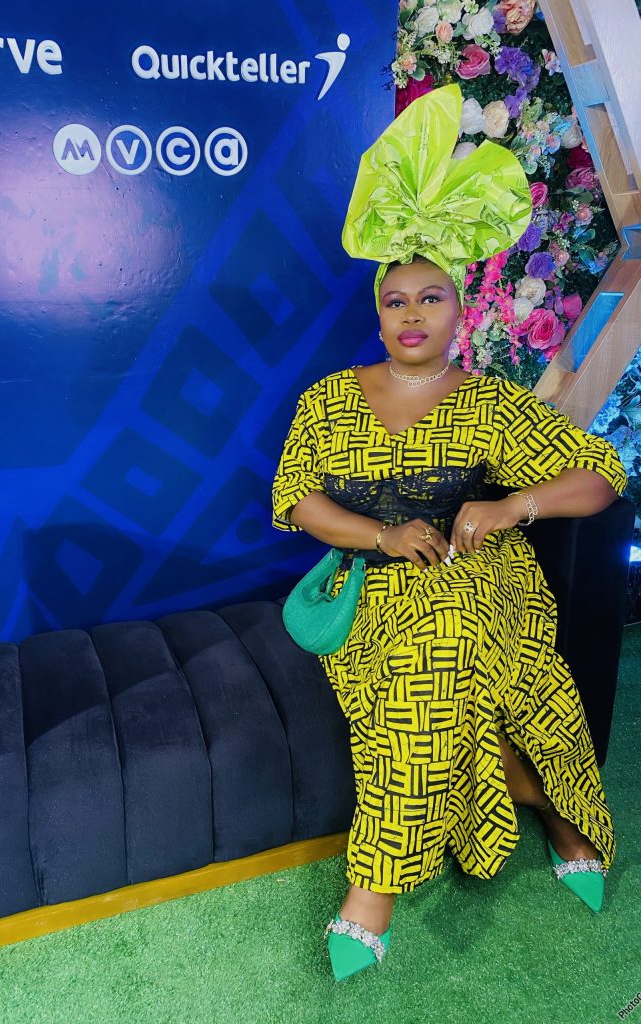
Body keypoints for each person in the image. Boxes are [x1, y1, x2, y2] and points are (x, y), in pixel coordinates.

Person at [271, 85, 628, 983]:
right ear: (378, 312)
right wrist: (381, 536)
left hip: (480, 574)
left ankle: (374, 891)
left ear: (459, 309)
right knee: (435, 652)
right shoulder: (329, 398)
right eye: (396, 301)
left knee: (452, 635)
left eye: (430, 298)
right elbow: (297, 501)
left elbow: (601, 476)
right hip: (373, 582)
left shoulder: (489, 401)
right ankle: (541, 799)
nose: (412, 316)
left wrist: (512, 507)